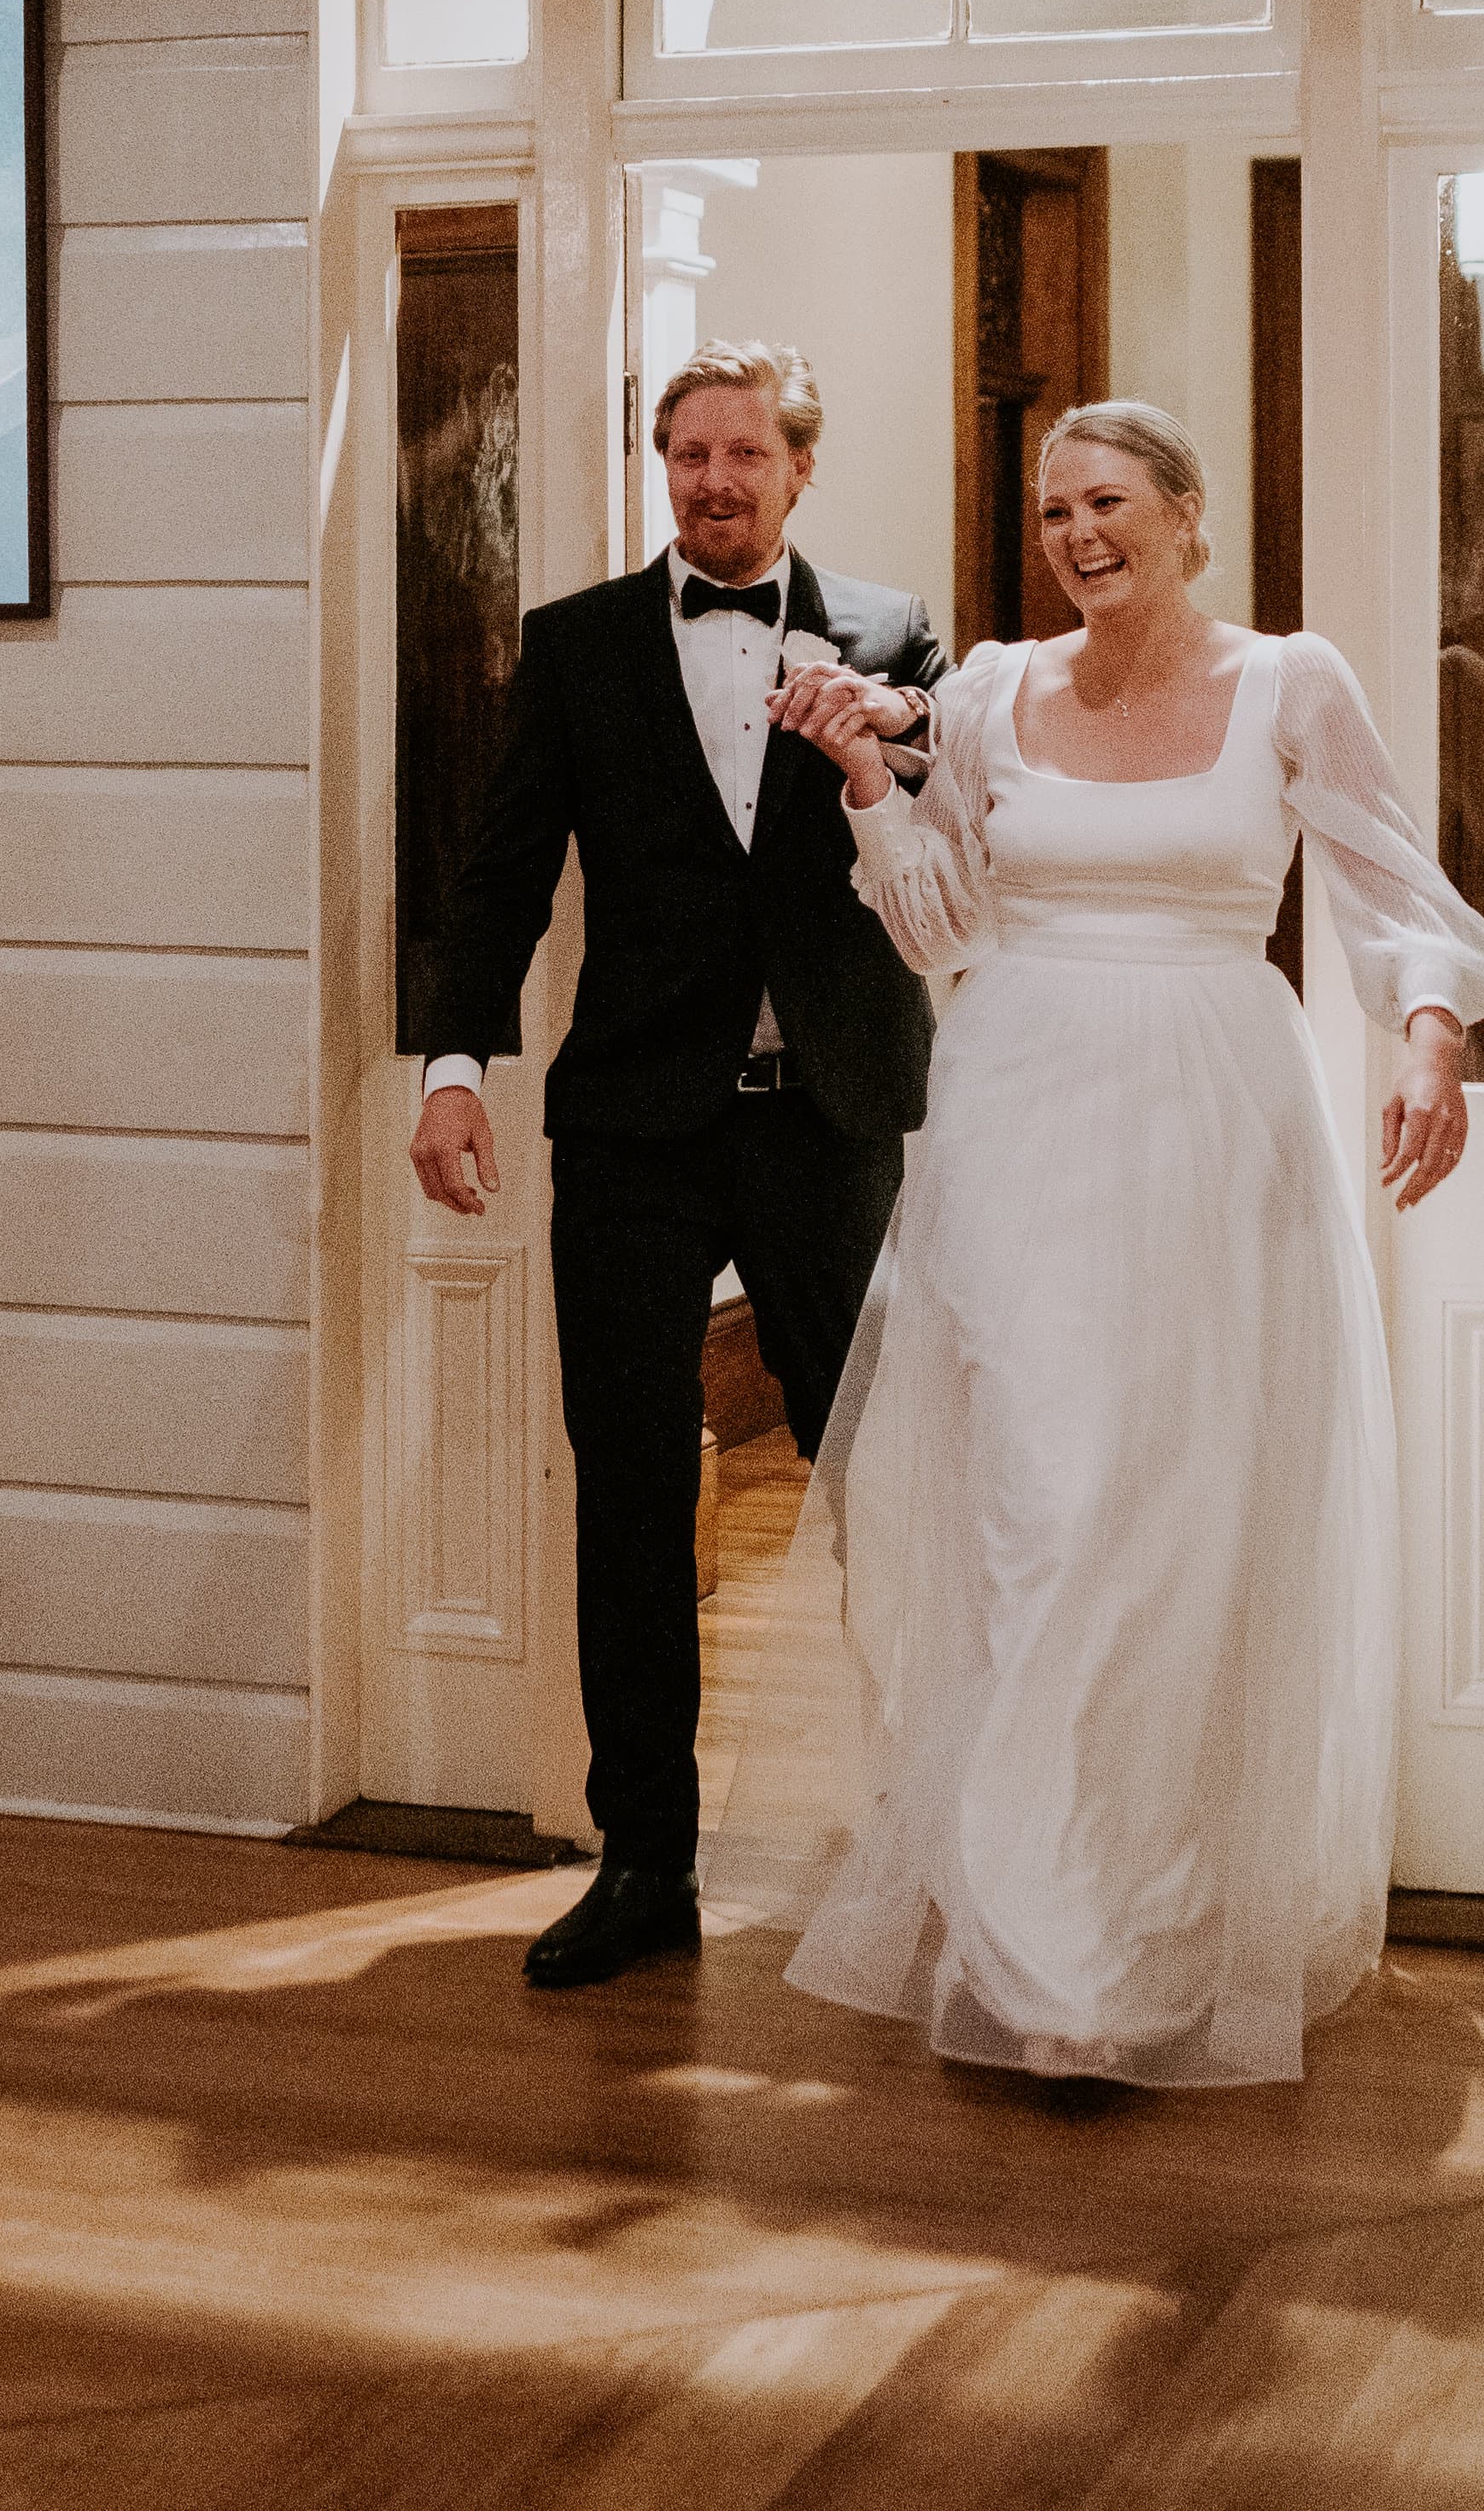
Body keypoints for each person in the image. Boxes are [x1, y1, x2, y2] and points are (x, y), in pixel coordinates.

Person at [736, 397, 1484, 2087]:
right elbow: (941, 922)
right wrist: (872, 774)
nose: (1072, 531)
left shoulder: (1289, 681)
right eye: (1047, 511)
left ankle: (1150, 1923)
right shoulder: (997, 690)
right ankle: (1035, 1941)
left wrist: (1430, 1033)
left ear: (1183, 512)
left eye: (1101, 501)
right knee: (1036, 1501)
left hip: (1210, 1122)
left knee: (1174, 1515)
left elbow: (1393, 886)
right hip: (1015, 1116)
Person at [410, 339, 948, 1990]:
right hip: (634, 1126)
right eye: (686, 456)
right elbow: (499, 878)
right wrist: (454, 1068)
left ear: (798, 469)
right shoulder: (574, 647)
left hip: (830, 1114)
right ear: (665, 469)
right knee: (632, 1490)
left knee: (888, 1479)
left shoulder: (895, 632)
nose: (712, 482)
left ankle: (929, 1838)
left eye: (743, 455)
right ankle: (644, 1860)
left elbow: (950, 832)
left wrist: (895, 736)